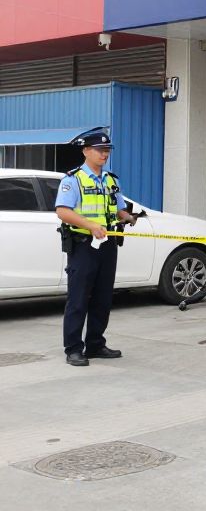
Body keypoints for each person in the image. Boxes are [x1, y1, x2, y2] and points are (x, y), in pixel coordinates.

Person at [55, 130, 139, 367]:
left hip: (108, 246)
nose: (104, 154)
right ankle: (73, 348)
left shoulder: (112, 180)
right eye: (99, 150)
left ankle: (95, 344)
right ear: (86, 151)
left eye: (107, 150)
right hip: (83, 246)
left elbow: (118, 208)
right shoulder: (73, 180)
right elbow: (63, 211)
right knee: (78, 298)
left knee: (103, 297)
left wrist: (127, 217)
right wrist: (90, 225)